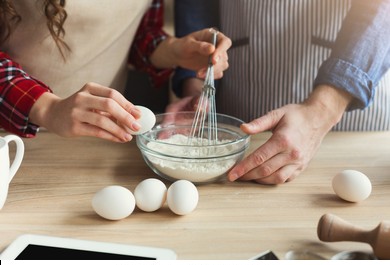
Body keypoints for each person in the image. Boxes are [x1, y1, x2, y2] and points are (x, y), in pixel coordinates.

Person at [170, 0, 390, 185]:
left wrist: (323, 110)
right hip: (235, 129)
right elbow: (197, 7)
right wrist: (198, 87)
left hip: (351, 133)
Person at [0, 0, 231, 143]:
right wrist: (48, 108)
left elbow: (138, 31)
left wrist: (173, 51)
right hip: (11, 138)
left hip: (98, 138)